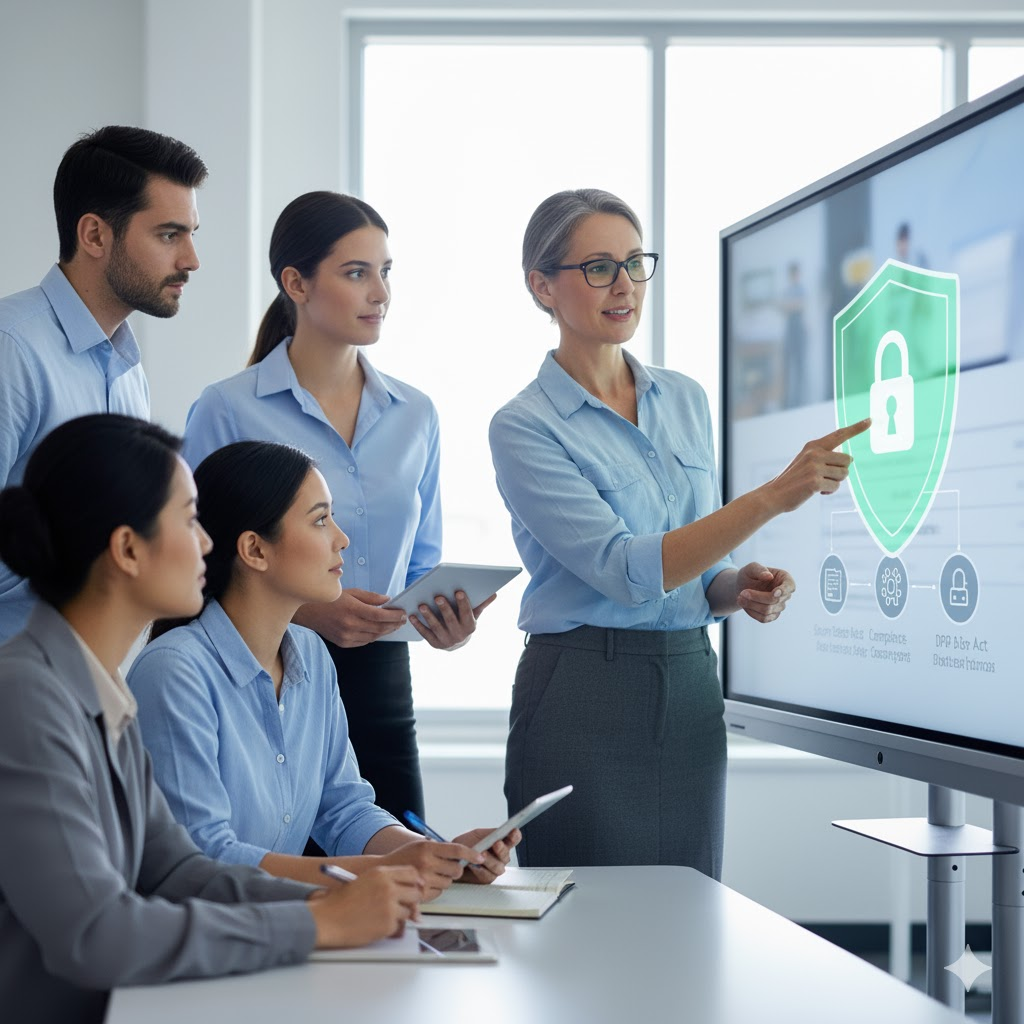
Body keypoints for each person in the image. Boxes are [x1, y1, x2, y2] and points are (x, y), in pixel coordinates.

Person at [488, 189, 870, 877]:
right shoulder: (524, 426)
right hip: (582, 691)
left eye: (636, 263)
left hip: (691, 684)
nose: (625, 284)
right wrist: (775, 496)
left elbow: (689, 568)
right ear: (542, 285)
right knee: (586, 933)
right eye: (600, 267)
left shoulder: (685, 398)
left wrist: (732, 588)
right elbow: (627, 572)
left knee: (691, 921)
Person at [0, 415, 424, 1024]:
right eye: (189, 519)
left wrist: (341, 899)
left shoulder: (94, 690)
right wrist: (314, 922)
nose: (206, 543)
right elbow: (94, 933)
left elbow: (177, 868)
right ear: (127, 549)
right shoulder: (28, 697)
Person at [181, 191, 493, 824]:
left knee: (401, 863)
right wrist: (313, 614)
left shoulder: (417, 415)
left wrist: (440, 619)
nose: (379, 292)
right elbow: (195, 564)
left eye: (385, 272)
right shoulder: (228, 408)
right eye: (357, 273)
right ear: (294, 282)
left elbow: (418, 567)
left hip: (383, 679)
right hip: (267, 670)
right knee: (288, 870)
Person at [128, 439, 520, 893]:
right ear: (255, 550)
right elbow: (205, 856)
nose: (342, 538)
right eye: (320, 520)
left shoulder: (311, 654)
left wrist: (436, 857)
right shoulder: (174, 673)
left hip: (278, 922)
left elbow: (344, 809)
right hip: (202, 937)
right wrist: (395, 868)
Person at [0, 125, 206, 642]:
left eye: (190, 235)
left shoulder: (128, 370)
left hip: (88, 681)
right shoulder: (12, 348)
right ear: (94, 235)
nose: (191, 260)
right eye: (168, 235)